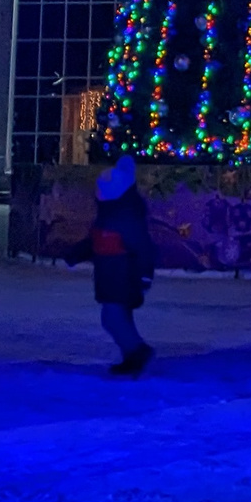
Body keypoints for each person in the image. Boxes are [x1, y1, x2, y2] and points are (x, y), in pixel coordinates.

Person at [88, 154, 158, 375]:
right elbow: (95, 240)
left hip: (123, 277)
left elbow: (143, 248)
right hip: (111, 276)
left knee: (112, 318)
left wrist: (145, 275)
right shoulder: (111, 215)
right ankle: (131, 356)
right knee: (117, 318)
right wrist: (77, 252)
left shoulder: (125, 218)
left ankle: (137, 351)